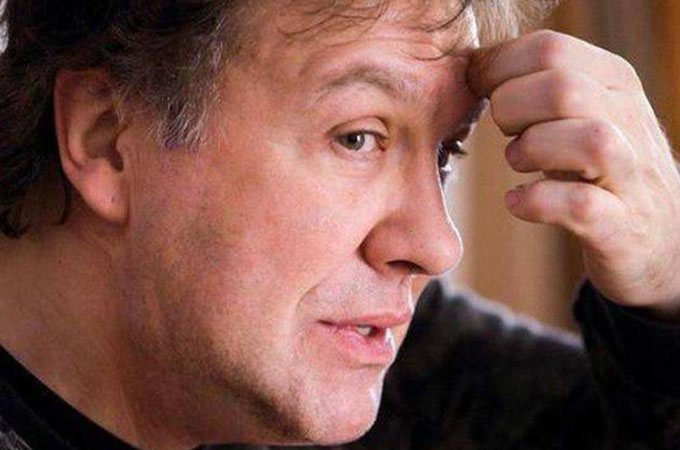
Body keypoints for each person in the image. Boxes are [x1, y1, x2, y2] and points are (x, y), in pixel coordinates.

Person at [1, 0, 680, 449]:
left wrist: (665, 290)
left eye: (445, 153)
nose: (436, 245)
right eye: (357, 138)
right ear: (107, 138)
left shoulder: (383, 368)